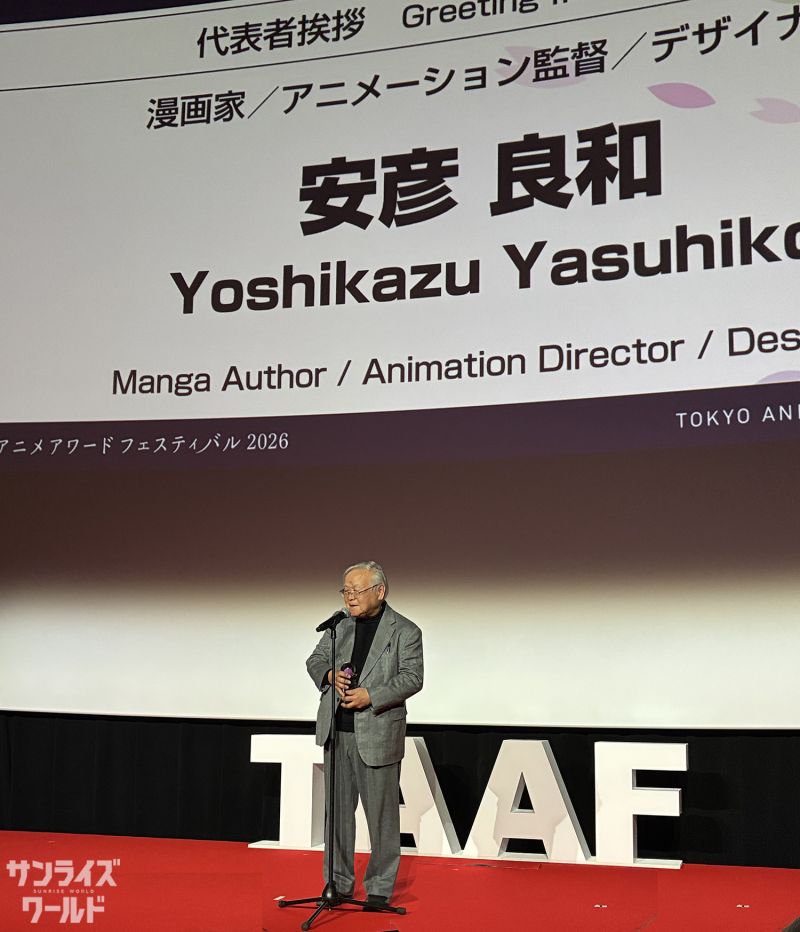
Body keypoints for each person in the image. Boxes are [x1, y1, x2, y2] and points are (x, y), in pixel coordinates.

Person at [306, 560, 423, 907]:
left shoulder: (405, 630)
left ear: (380, 591)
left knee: (381, 817)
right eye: (346, 591)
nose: (350, 597)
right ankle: (338, 883)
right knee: (337, 817)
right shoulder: (339, 626)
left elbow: (412, 678)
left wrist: (371, 695)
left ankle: (379, 888)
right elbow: (315, 660)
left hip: (377, 734)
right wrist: (330, 676)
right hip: (336, 732)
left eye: (357, 590)